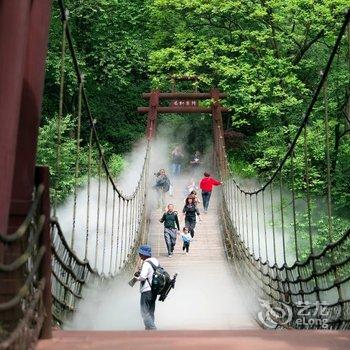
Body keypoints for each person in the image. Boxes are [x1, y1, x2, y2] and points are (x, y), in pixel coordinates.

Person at [135, 244, 159, 330]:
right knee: (151, 311)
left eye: (141, 254)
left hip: (146, 291)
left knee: (144, 312)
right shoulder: (155, 261)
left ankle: (152, 329)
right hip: (154, 290)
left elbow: (143, 277)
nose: (140, 255)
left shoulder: (146, 263)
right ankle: (148, 330)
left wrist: (136, 278)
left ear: (145, 254)